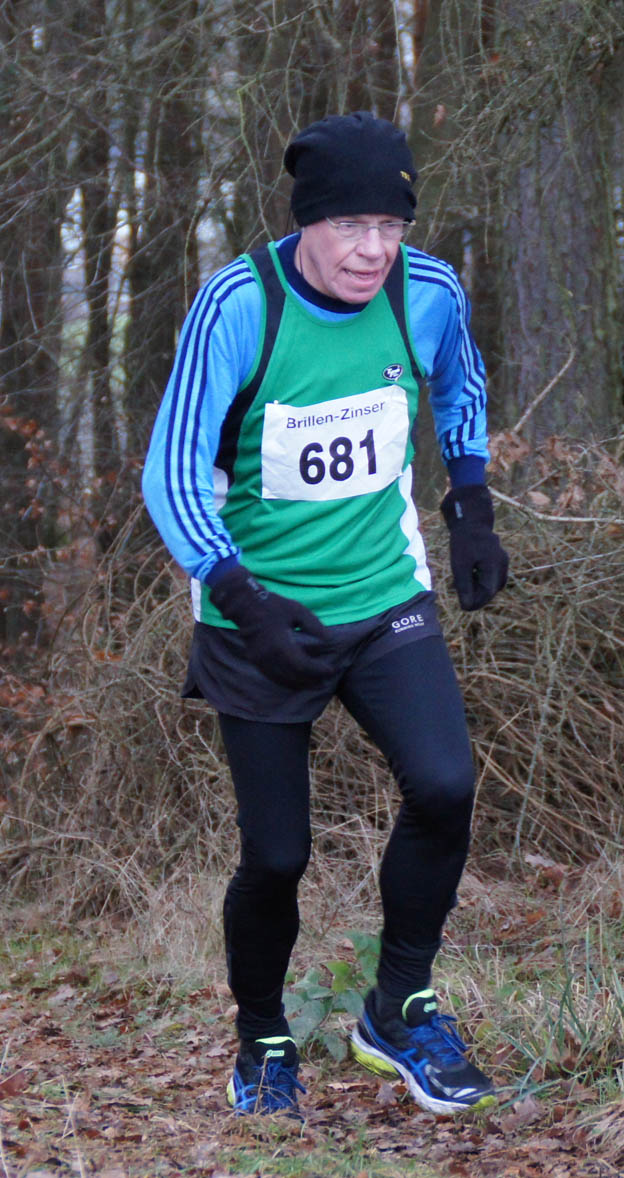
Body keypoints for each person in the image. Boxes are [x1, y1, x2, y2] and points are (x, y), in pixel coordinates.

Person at [142, 111, 508, 1119]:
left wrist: (470, 502)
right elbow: (172, 469)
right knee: (277, 854)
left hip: (383, 594)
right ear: (306, 220)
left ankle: (400, 1007)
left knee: (445, 785)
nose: (372, 249)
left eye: (390, 226)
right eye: (350, 225)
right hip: (258, 613)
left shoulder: (426, 291)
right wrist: (238, 595)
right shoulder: (239, 305)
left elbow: (462, 383)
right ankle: (263, 1038)